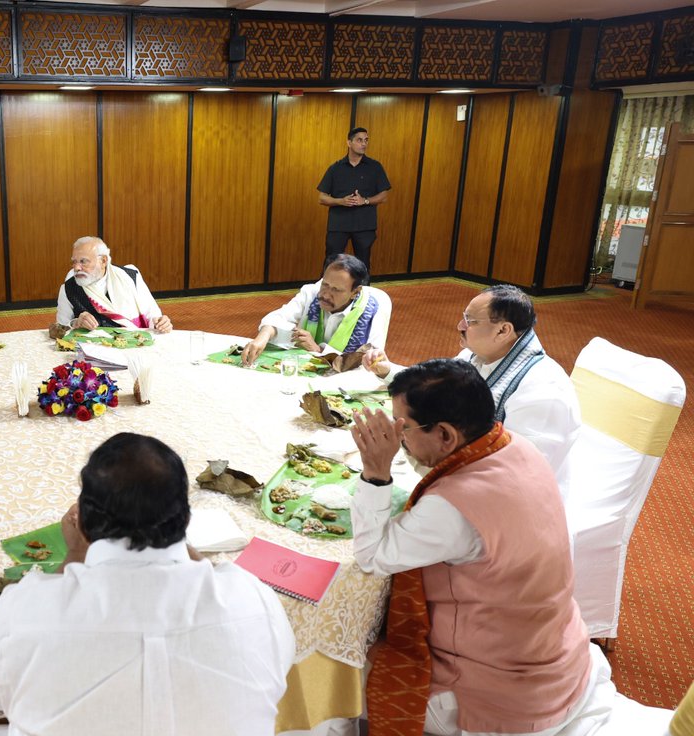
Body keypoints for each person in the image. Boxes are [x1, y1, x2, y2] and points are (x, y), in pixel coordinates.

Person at [0, 433, 295, 736]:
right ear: (185, 519)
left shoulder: (26, 608)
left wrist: (74, 555)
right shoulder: (252, 601)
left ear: (84, 521)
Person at [348, 359, 600, 736]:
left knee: (337, 664)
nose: (396, 438)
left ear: (445, 435)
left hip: (500, 690)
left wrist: (375, 473)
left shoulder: (453, 507)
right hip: (557, 656)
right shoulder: (515, 446)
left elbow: (371, 558)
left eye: (403, 429)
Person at [363, 284, 579, 497]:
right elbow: (434, 392)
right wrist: (388, 371)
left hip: (511, 502)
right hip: (470, 473)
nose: (460, 325)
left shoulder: (543, 389)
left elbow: (520, 473)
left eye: (470, 321)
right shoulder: (475, 355)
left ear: (503, 330)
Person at [240, 253, 391, 365]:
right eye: (325, 284)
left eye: (336, 290)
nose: (325, 294)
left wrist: (318, 351)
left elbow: (369, 360)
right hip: (306, 367)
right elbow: (281, 316)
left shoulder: (372, 310)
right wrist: (262, 337)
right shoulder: (312, 292)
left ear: (355, 293)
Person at [56, 236, 172, 332]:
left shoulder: (130, 277)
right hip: (95, 352)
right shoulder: (68, 289)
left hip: (135, 344)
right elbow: (58, 330)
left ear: (103, 261)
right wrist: (75, 323)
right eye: (74, 262)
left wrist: (162, 323)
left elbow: (152, 314)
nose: (76, 268)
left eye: (83, 261)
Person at [316, 127, 391, 270]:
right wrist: (340, 201)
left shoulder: (375, 167)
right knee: (332, 263)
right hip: (338, 224)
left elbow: (384, 196)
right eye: (359, 140)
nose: (364, 144)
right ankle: (325, 293)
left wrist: (365, 200)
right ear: (349, 143)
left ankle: (362, 292)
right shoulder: (335, 168)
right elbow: (322, 198)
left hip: (364, 225)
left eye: (366, 140)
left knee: (362, 265)